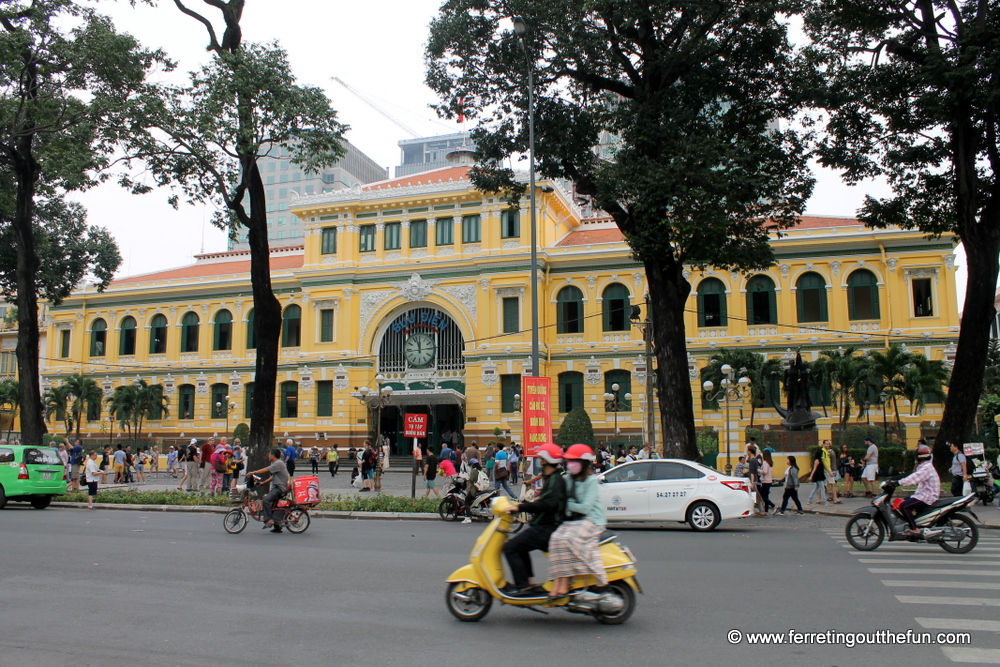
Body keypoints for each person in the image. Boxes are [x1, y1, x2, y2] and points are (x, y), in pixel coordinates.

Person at [502, 443, 567, 597]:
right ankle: (529, 583)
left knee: (510, 548)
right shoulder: (552, 478)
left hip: (547, 529)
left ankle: (523, 587)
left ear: (546, 460)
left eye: (541, 458)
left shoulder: (555, 481)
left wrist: (519, 508)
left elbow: (545, 504)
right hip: (546, 527)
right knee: (520, 546)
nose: (538, 460)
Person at [548, 444, 607, 598]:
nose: (571, 464)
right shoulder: (569, 478)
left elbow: (586, 507)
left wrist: (567, 504)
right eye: (569, 461)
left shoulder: (591, 481)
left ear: (584, 463)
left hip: (591, 519)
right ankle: (559, 580)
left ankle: (567, 580)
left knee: (567, 539)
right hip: (574, 520)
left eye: (575, 461)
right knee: (555, 539)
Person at [898, 444, 940, 537]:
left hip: (928, 496)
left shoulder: (926, 468)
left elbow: (914, 478)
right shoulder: (925, 466)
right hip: (923, 494)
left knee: (904, 506)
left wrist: (898, 482)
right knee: (903, 501)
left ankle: (914, 529)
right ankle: (916, 521)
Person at [248, 449, 291, 533]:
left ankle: (269, 519)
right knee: (273, 506)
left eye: (269, 454)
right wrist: (263, 482)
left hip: (279, 488)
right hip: (278, 487)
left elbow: (266, 470)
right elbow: (273, 477)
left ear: (273, 455)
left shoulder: (278, 463)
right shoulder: (277, 464)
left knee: (266, 500)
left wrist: (253, 472)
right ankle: (277, 527)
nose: (268, 456)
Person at [462, 458, 483, 524]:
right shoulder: (480, 470)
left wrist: (468, 477)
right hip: (479, 488)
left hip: (473, 489)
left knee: (466, 502)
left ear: (472, 464)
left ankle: (468, 517)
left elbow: (471, 480)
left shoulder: (474, 470)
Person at [822, 440, 841, 504]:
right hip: (827, 471)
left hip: (828, 470)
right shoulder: (824, 452)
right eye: (827, 444)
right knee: (830, 484)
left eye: (829, 444)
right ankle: (834, 498)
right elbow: (824, 462)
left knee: (827, 484)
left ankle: (834, 498)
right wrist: (829, 471)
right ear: (823, 444)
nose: (828, 445)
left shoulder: (828, 452)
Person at [758, 450, 775, 514]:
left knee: (762, 496)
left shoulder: (765, 463)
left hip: (765, 481)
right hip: (769, 481)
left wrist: (759, 470)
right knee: (766, 496)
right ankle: (766, 510)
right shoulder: (770, 462)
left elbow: (765, 471)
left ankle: (773, 506)